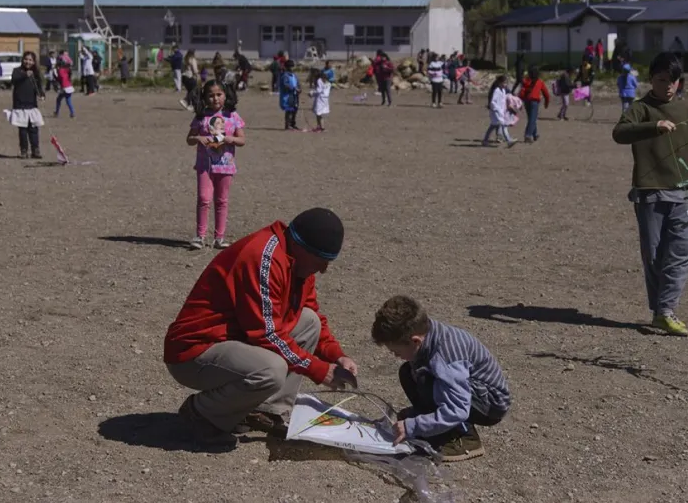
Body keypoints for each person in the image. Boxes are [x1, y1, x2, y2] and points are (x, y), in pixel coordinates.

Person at [164, 207, 358, 446]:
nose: (323, 269)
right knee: (270, 370)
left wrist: (337, 356)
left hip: (234, 341)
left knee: (309, 321)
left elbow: (310, 310)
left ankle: (266, 410)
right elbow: (266, 334)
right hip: (194, 352)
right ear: (301, 247)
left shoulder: (299, 264)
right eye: (321, 261)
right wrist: (318, 369)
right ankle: (201, 413)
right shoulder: (263, 258)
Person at [612, 52, 688, 336]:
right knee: (654, 256)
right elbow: (620, 133)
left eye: (673, 81)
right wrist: (654, 126)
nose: (668, 86)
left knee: (684, 251)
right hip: (650, 194)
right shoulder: (641, 108)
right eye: (662, 80)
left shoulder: (684, 109)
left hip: (684, 193)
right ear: (651, 80)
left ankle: (666, 310)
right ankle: (659, 311)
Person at [372, 295, 510, 462]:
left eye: (396, 351)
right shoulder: (426, 332)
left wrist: (412, 427)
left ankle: (465, 437)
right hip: (469, 393)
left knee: (427, 380)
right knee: (408, 372)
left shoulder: (445, 358)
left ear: (415, 341)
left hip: (490, 404)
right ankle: (435, 422)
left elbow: (458, 410)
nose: (395, 355)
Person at [186, 80, 245, 250]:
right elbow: (189, 139)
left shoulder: (232, 116)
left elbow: (242, 140)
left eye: (219, 94)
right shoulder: (201, 117)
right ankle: (200, 236)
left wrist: (230, 139)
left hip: (225, 165)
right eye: (210, 95)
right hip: (205, 165)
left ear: (225, 95)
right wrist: (198, 138)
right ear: (204, 97)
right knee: (204, 199)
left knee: (221, 201)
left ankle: (219, 237)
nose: (215, 99)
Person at [10, 51, 46, 159]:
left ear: (34, 62)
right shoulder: (17, 71)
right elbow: (14, 80)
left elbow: (39, 87)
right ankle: (24, 151)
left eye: (30, 60)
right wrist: (25, 75)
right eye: (26, 59)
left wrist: (42, 95)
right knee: (22, 130)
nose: (28, 62)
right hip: (20, 105)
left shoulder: (36, 73)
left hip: (32, 105)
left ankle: (35, 150)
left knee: (33, 129)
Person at [482, 75, 516, 148]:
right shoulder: (496, 91)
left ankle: (485, 140)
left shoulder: (503, 91)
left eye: (506, 83)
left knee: (492, 126)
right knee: (503, 125)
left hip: (501, 112)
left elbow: (503, 102)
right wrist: (497, 110)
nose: (505, 85)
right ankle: (509, 140)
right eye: (504, 83)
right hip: (496, 112)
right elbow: (493, 102)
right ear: (499, 83)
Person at [519, 67, 550, 143]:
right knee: (533, 119)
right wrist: (546, 103)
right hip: (534, 102)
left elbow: (522, 92)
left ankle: (535, 134)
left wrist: (520, 101)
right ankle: (528, 135)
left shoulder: (526, 81)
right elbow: (546, 94)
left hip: (527, 101)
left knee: (531, 118)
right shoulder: (540, 82)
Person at [279, 59, 300, 130]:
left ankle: (293, 124)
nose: (292, 68)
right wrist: (294, 88)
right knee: (289, 110)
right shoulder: (285, 76)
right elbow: (285, 85)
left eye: (292, 66)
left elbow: (297, 83)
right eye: (291, 66)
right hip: (287, 96)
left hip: (295, 95)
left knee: (295, 109)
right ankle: (287, 125)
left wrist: (299, 89)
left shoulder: (294, 75)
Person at [54, 53, 76, 118]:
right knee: (67, 100)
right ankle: (72, 113)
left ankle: (57, 112)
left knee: (59, 100)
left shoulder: (60, 70)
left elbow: (59, 78)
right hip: (69, 87)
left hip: (65, 87)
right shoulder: (67, 69)